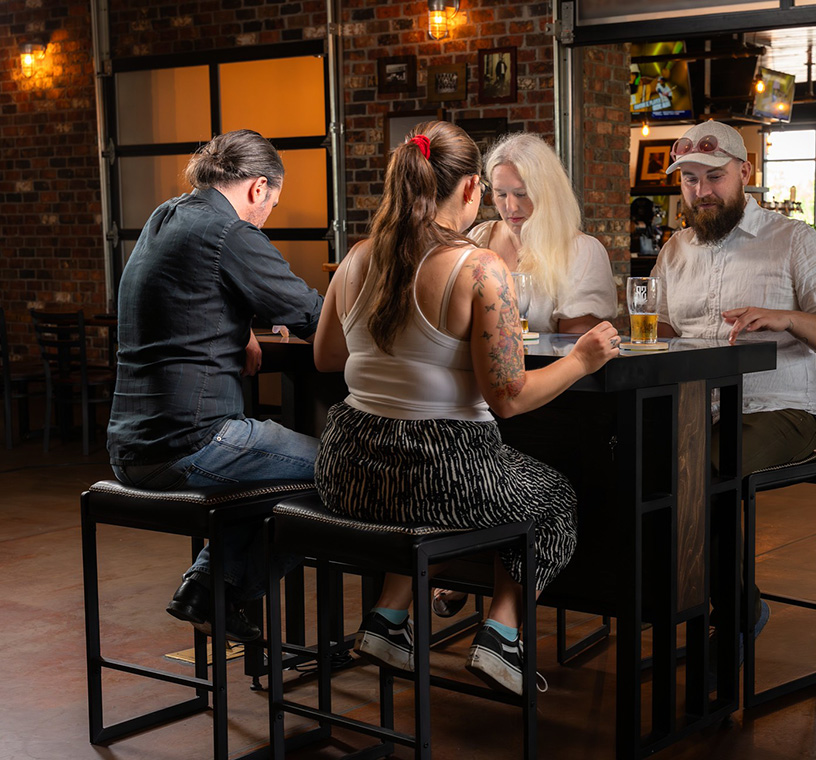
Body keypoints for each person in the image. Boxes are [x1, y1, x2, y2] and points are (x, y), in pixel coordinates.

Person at [311, 121, 620, 694]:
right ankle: (501, 635)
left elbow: (326, 356)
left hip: (346, 470)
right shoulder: (480, 268)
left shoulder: (357, 257)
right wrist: (582, 359)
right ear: (474, 188)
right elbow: (509, 398)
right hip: (439, 472)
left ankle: (390, 617)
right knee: (551, 497)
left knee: (481, 494)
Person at [650, 119, 816, 650]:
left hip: (779, 410)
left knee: (701, 468)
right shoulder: (674, 250)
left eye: (714, 176)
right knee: (637, 461)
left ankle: (735, 616)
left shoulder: (794, 240)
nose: (701, 191)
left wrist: (788, 318)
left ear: (745, 172)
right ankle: (668, 603)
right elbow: (661, 331)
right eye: (690, 179)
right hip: (695, 409)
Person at [107, 129, 323, 642]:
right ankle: (219, 588)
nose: (266, 217)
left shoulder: (165, 216)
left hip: (129, 447)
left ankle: (204, 590)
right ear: (258, 187)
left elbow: (181, 292)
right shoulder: (231, 232)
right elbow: (310, 314)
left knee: (272, 475)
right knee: (342, 470)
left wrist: (241, 326)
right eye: (271, 205)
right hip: (191, 443)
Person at [467, 133, 617, 333]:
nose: (510, 207)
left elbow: (575, 346)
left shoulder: (582, 252)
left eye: (521, 194)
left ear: (547, 192)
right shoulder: (480, 237)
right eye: (501, 194)